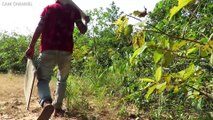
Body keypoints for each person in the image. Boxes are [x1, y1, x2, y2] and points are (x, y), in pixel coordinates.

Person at [25, 0, 89, 118]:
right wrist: (86, 22)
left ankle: (46, 103)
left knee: (43, 79)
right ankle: (57, 108)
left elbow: (39, 27)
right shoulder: (73, 11)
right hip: (66, 51)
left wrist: (31, 46)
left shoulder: (49, 8)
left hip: (48, 49)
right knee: (62, 80)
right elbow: (82, 30)